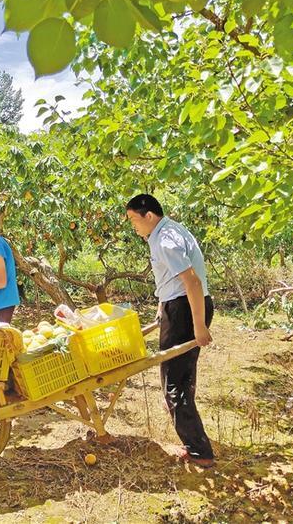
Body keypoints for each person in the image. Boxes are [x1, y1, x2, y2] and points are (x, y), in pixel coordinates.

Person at [126, 194, 215, 468]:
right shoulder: (172, 231)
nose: (134, 228)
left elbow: (192, 282)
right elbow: (172, 280)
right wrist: (161, 309)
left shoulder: (165, 240)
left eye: (133, 220)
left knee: (174, 382)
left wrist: (198, 326)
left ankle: (199, 451)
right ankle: (196, 441)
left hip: (186, 310)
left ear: (148, 216)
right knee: (182, 377)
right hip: (178, 306)